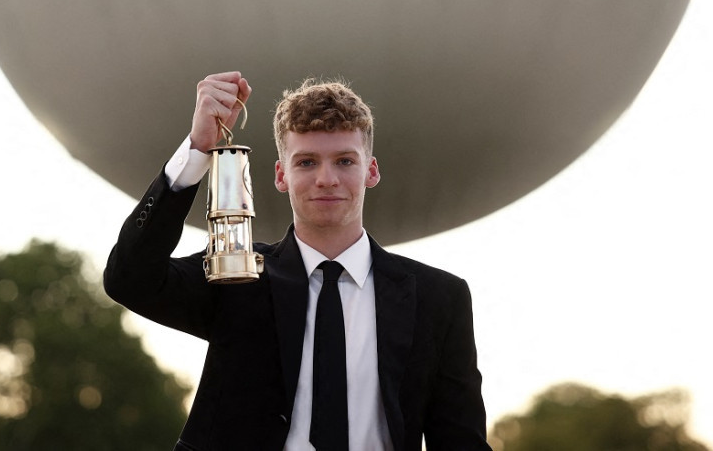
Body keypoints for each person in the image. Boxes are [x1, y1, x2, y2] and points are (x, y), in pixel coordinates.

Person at [104, 71, 491, 451]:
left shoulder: (440, 298)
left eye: (344, 161)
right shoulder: (238, 273)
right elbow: (129, 279)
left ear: (370, 171)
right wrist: (197, 150)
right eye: (306, 162)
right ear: (280, 175)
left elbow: (459, 440)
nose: (326, 179)